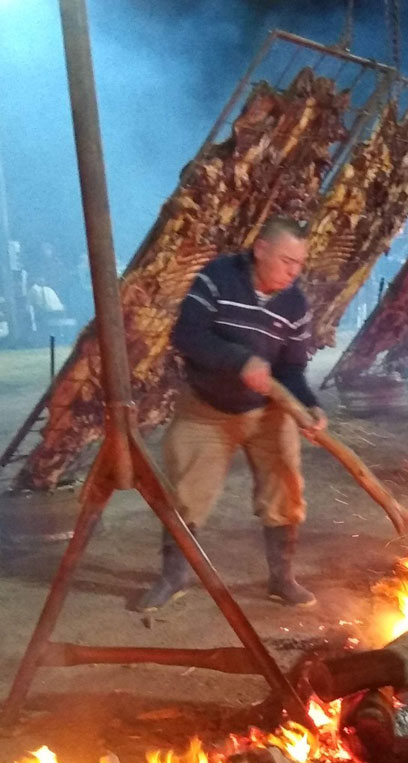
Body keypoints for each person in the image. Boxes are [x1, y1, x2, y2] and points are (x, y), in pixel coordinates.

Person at [137, 217, 327, 611]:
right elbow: (188, 335)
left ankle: (281, 578)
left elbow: (291, 368)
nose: (293, 272)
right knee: (187, 494)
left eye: (299, 264)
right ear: (261, 249)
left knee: (285, 489)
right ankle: (174, 577)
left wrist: (309, 405)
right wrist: (239, 360)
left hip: (268, 411)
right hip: (207, 407)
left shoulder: (295, 305)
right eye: (286, 261)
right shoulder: (217, 277)